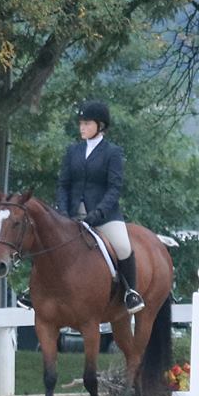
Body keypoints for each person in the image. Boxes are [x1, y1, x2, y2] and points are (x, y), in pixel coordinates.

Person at [55, 100, 142, 313]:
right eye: (81, 123)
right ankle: (34, 290)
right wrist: (64, 213)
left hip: (104, 216)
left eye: (87, 123)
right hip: (73, 214)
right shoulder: (73, 151)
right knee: (47, 242)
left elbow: (114, 188)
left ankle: (131, 292)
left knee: (122, 246)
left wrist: (98, 213)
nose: (82, 127)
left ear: (100, 125)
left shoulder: (112, 152)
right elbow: (63, 184)